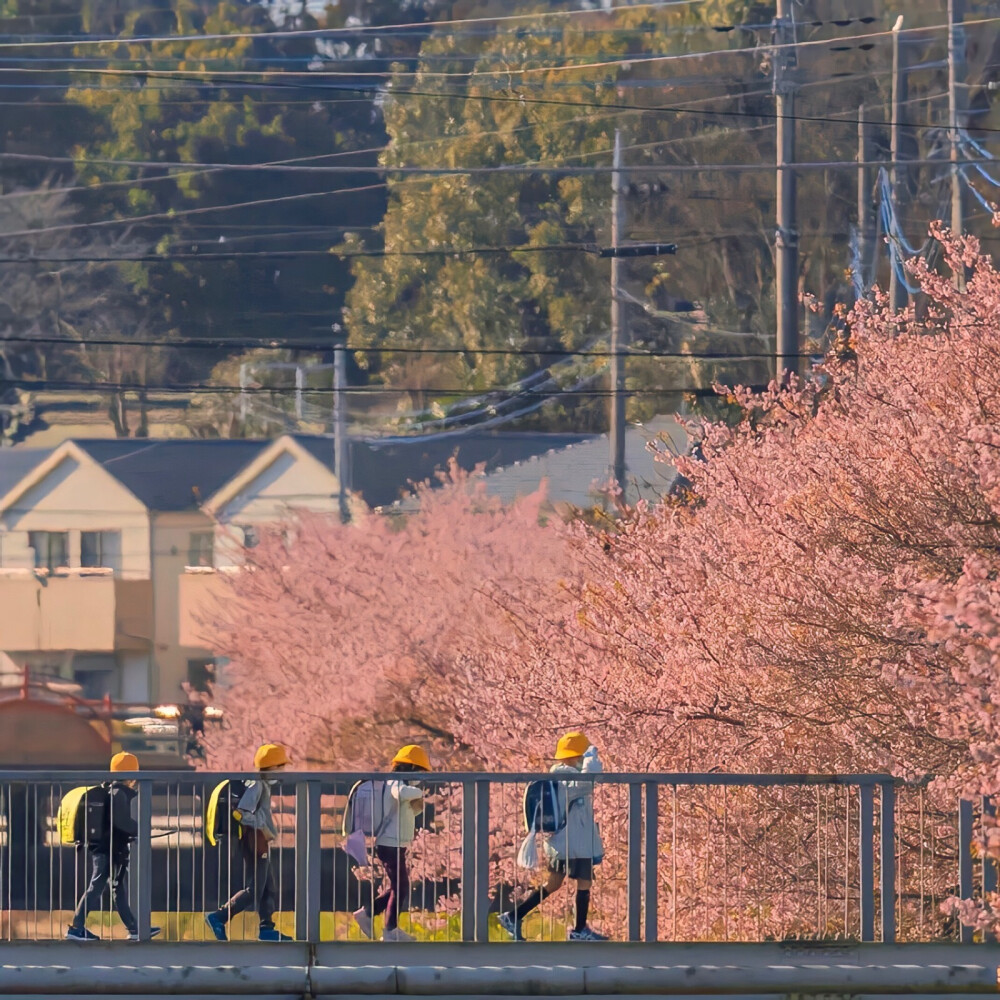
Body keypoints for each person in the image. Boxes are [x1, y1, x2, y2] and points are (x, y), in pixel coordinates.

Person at [498, 732, 608, 942]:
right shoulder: (567, 777)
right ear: (576, 755)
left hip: (562, 843)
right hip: (575, 843)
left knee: (553, 883)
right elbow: (589, 781)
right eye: (581, 755)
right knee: (584, 882)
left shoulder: (558, 776)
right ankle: (579, 930)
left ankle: (514, 916)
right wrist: (592, 759)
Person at [66, 751, 162, 942]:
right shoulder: (120, 793)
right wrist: (141, 828)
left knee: (118, 890)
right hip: (109, 851)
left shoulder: (110, 790)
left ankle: (134, 929)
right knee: (97, 886)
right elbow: (121, 821)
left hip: (107, 849)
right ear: (132, 775)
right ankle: (76, 928)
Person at [205, 743, 292, 942]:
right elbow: (242, 813)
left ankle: (266, 928)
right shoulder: (258, 784)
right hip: (255, 841)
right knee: (255, 889)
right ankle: (218, 917)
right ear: (273, 767)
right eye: (282, 767)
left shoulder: (260, 784)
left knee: (269, 886)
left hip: (258, 840)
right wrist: (262, 826)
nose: (284, 772)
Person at [352, 744, 430, 942]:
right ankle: (389, 929)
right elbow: (401, 794)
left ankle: (369, 913)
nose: (420, 778)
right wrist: (419, 794)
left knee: (400, 886)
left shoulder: (399, 782)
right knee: (401, 886)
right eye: (419, 772)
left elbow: (403, 809)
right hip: (389, 843)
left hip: (396, 843)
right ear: (410, 768)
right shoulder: (395, 782)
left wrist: (417, 807)